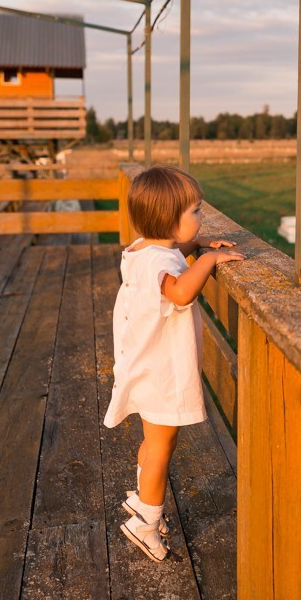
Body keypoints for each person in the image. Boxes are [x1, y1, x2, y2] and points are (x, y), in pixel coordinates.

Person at [105, 165, 243, 562]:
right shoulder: (157, 265)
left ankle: (141, 498)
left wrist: (197, 243)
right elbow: (180, 293)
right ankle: (146, 522)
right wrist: (209, 260)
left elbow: (167, 257)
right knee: (161, 448)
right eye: (195, 211)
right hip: (161, 373)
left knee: (154, 442)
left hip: (147, 366)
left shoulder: (142, 250)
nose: (201, 215)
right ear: (170, 220)